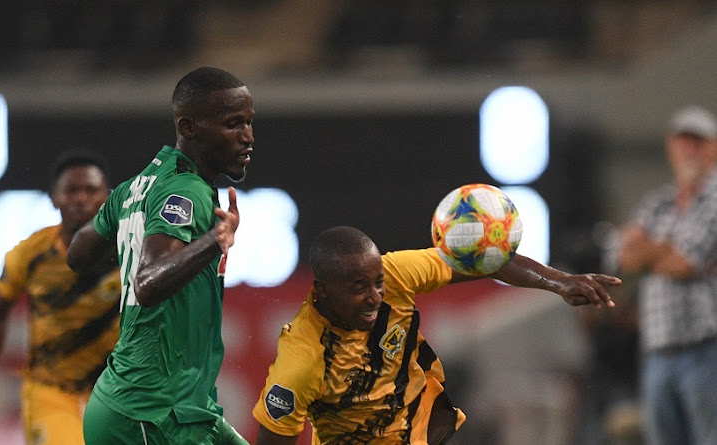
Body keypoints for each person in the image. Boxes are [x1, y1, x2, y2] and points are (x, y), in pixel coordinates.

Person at [253, 225, 620, 444]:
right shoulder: (300, 361)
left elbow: (484, 259)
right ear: (323, 291)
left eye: (378, 282)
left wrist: (561, 281)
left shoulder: (396, 273)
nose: (375, 296)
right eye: (358, 287)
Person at [65, 67, 250, 445]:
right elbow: (147, 285)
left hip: (173, 406)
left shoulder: (134, 187)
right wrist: (213, 241)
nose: (247, 137)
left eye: (248, 122)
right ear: (189, 127)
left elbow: (77, 254)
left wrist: (124, 222)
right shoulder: (188, 191)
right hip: (150, 414)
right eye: (233, 124)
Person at [0, 149, 119, 445]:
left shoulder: (127, 249)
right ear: (54, 198)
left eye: (91, 190)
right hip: (50, 391)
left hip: (112, 391)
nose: (81, 199)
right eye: (72, 190)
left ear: (107, 197)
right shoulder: (31, 254)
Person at [616, 105, 717, 445]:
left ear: (713, 147)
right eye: (682, 141)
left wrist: (651, 251)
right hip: (658, 348)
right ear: (670, 147)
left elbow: (684, 263)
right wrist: (665, 252)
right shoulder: (658, 202)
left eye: (698, 141)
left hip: (707, 346)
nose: (689, 149)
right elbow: (626, 257)